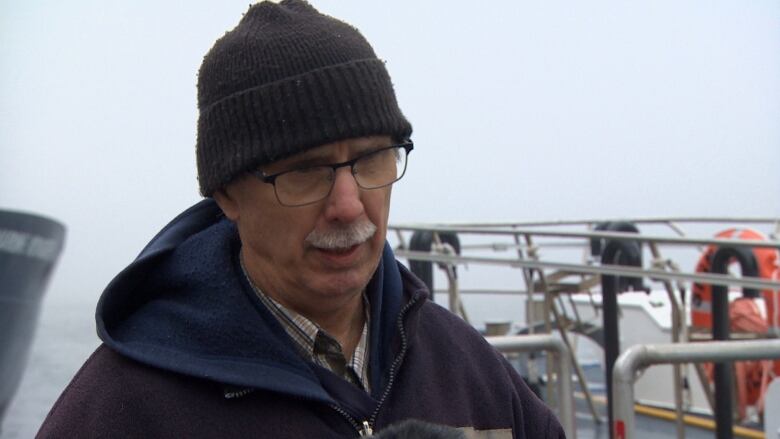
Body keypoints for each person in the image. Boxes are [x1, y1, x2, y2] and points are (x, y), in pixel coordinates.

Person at [38, 1, 565, 438]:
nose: (349, 205)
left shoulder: (468, 367)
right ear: (227, 194)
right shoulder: (121, 410)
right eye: (306, 171)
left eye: (371, 159)